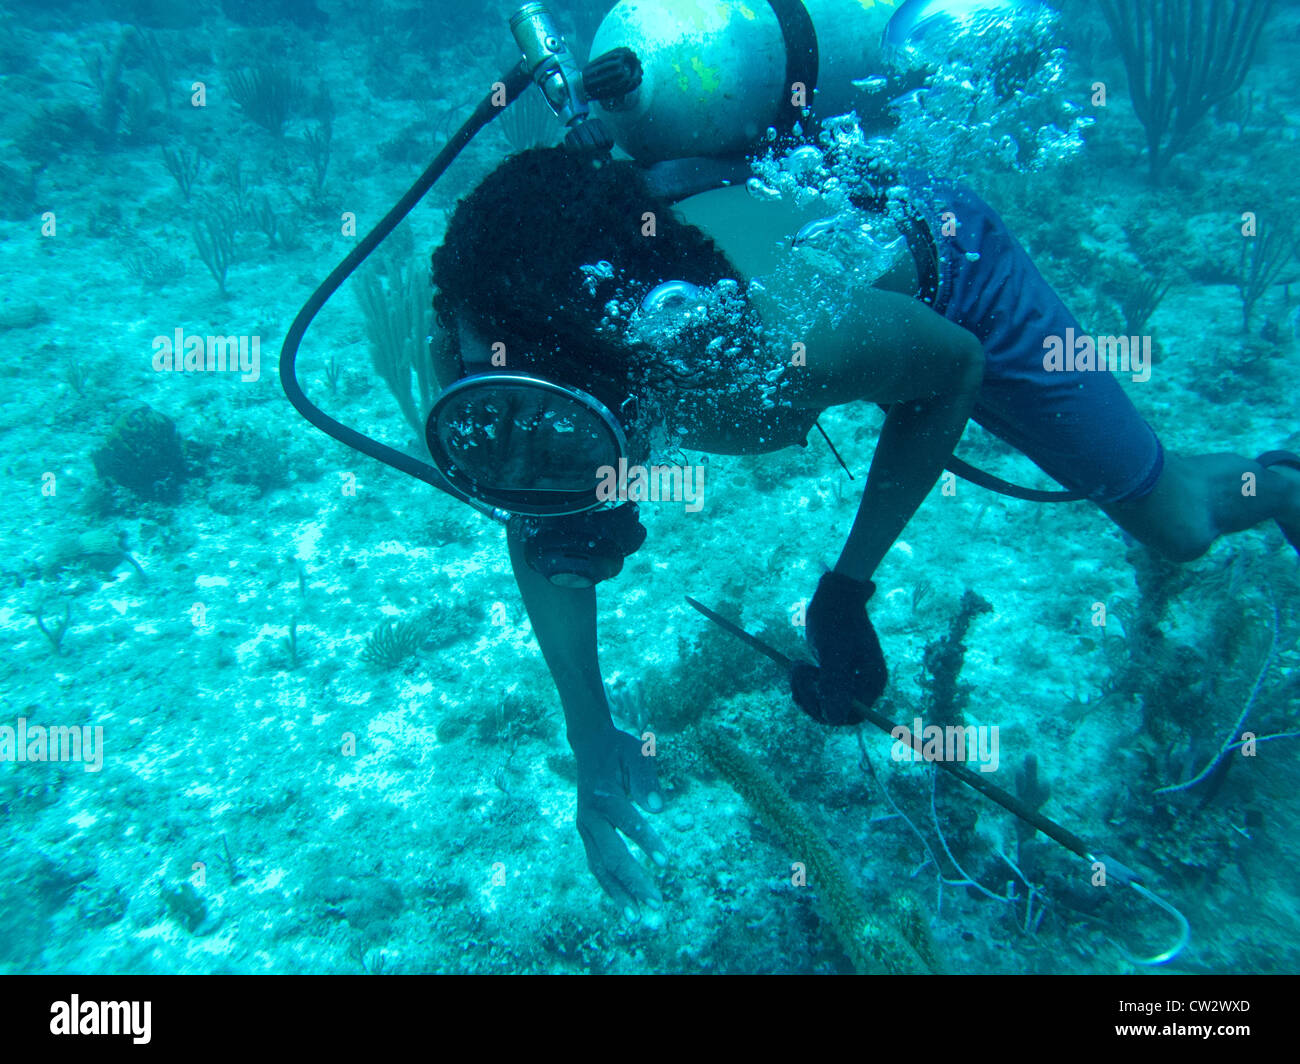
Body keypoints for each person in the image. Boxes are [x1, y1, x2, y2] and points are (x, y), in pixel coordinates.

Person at [427, 145, 1300, 922]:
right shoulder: (506, 348)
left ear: (626, 369)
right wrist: (592, 742)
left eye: (544, 428)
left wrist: (848, 588)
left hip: (945, 269)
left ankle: (1278, 477)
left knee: (1175, 523)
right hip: (801, 265)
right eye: (483, 405)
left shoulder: (760, 356)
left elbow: (951, 364)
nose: (514, 453)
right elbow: (538, 526)